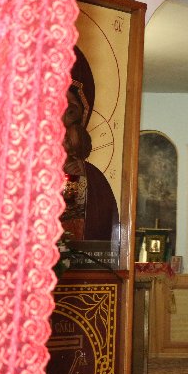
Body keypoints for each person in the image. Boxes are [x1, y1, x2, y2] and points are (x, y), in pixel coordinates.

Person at [61, 47, 119, 243]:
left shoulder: (93, 180)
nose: (61, 120)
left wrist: (82, 180)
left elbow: (103, 232)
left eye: (71, 111)